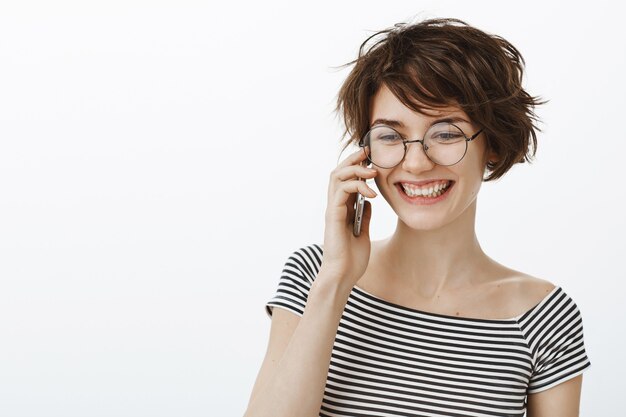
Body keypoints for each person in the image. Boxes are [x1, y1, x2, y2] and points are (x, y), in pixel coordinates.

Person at [244, 17, 591, 417]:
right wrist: (336, 281)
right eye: (390, 136)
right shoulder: (314, 274)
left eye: (445, 134)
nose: (415, 163)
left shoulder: (542, 316)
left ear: (492, 144)